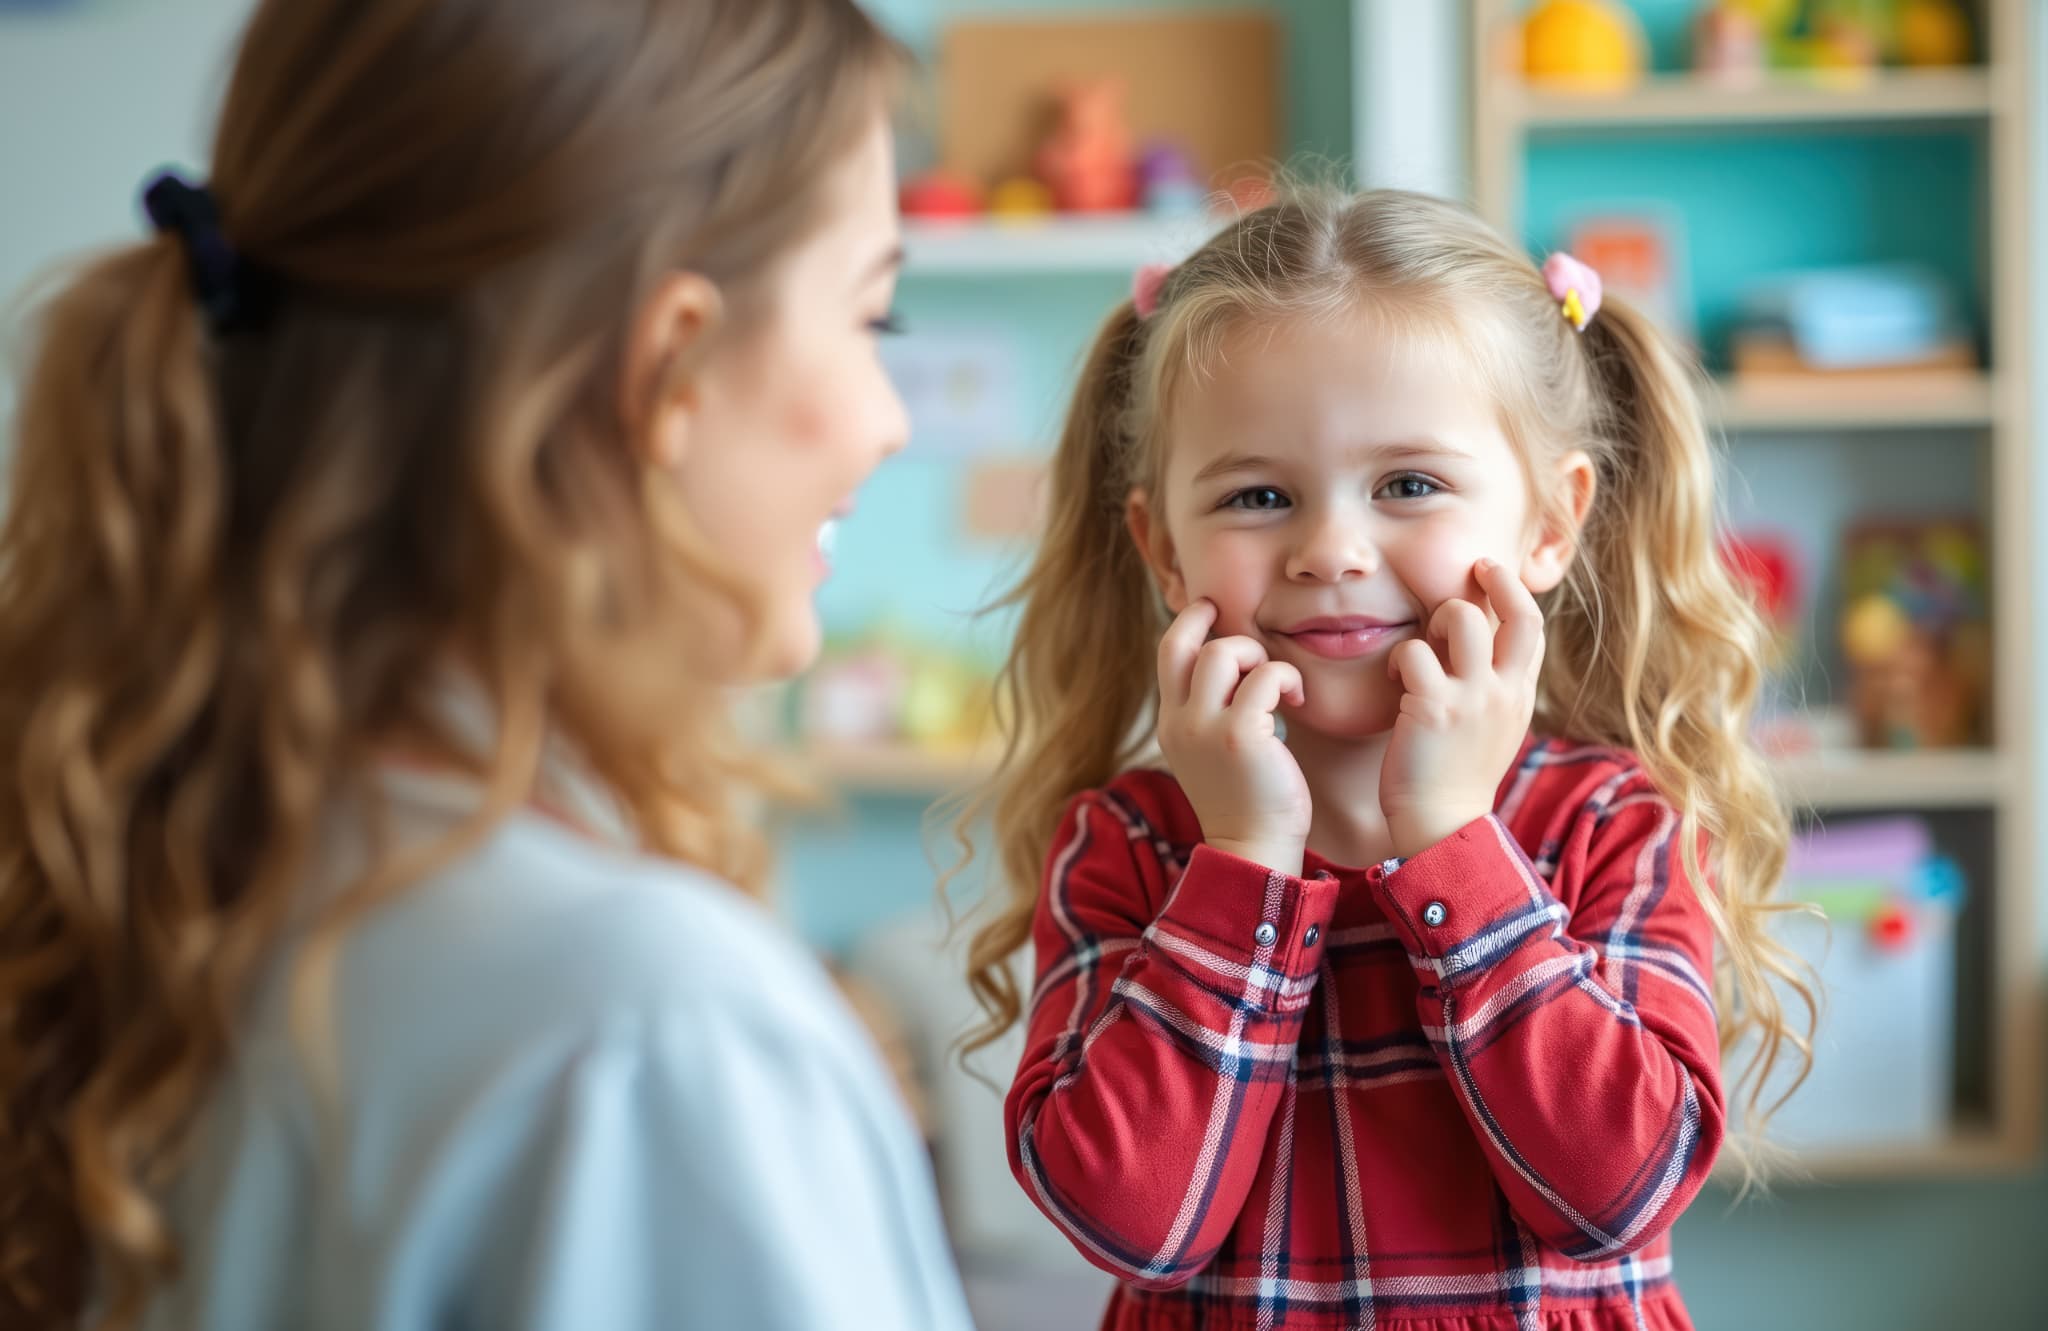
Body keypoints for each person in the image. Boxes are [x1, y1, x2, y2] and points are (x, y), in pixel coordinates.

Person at [0, 2, 974, 1328]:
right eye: (877, 315)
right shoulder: (648, 1033)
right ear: (671, 359)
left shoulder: (159, 870)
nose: (885, 419)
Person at [960, 188, 1814, 1330]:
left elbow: (1618, 1193)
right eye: (1257, 495)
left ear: (1548, 525)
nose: (1329, 550)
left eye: (1408, 484)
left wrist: (1452, 840)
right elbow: (1134, 1223)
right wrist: (1244, 863)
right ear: (1162, 549)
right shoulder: (1125, 842)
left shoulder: (1613, 820)